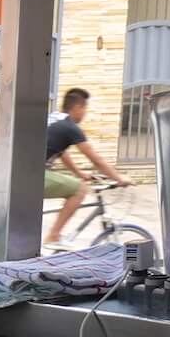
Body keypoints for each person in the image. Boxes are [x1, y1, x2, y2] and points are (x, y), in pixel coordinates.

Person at [45, 87, 132, 250]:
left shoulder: (56, 118)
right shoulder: (70, 127)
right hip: (33, 176)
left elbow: (61, 152)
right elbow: (95, 159)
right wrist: (119, 178)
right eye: (85, 109)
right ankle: (53, 236)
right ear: (78, 107)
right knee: (79, 190)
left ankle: (54, 237)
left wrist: (79, 173)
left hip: (25, 172)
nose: (85, 114)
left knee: (77, 184)